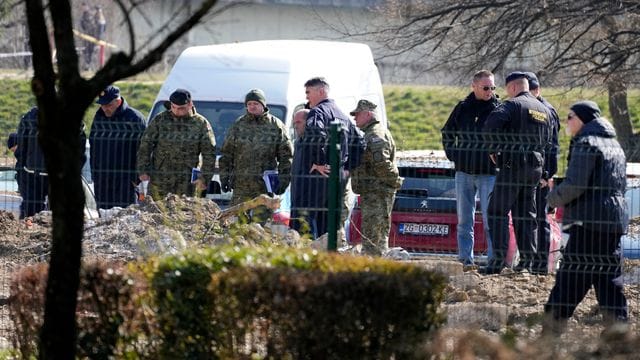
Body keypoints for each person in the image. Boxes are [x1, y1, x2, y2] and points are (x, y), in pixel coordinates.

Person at [543, 101, 628, 332]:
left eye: (569, 117)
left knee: (569, 281)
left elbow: (576, 185)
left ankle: (549, 334)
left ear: (581, 118)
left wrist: (551, 199)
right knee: (609, 282)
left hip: (588, 223)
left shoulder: (586, 143)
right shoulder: (614, 145)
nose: (567, 122)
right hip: (612, 222)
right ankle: (619, 334)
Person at [482, 71, 552, 274]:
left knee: (497, 211)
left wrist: (494, 149)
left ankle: (498, 261)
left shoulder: (512, 105)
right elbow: (548, 141)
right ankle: (526, 263)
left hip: (513, 165)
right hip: (535, 168)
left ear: (512, 87)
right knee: (526, 215)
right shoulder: (543, 109)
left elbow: (490, 126)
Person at [441, 70, 500, 267]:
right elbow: (447, 132)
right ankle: (465, 261)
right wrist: (454, 155)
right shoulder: (463, 108)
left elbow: (508, 138)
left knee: (491, 221)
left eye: (492, 87)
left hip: (488, 174)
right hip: (463, 172)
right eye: (485, 87)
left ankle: (494, 261)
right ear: (473, 86)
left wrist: (498, 159)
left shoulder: (498, 109)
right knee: (464, 222)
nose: (490, 91)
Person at [218, 89, 293, 223]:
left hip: (264, 187)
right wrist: (224, 177)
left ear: (263, 105)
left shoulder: (276, 126)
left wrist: (283, 181)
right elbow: (227, 153)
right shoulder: (238, 125)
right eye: (249, 104)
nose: (252, 106)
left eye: (256, 103)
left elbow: (286, 156)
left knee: (260, 225)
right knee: (236, 224)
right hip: (241, 185)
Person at [289, 77, 350, 239]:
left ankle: (303, 260)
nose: (307, 97)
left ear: (321, 91)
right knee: (327, 228)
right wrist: (344, 169)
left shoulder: (318, 112)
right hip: (335, 180)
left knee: (303, 224)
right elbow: (357, 144)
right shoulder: (343, 115)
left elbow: (316, 134)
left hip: (314, 182)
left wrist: (319, 163)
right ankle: (327, 259)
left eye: (309, 92)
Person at [137, 88, 216, 199]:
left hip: (187, 181)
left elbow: (209, 153)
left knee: (184, 213)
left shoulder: (200, 123)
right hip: (160, 179)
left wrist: (204, 178)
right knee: (156, 212)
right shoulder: (160, 120)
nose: (177, 111)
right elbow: (145, 145)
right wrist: (143, 169)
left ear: (190, 104)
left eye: (181, 108)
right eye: (173, 107)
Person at [350, 100, 402, 256]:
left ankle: (375, 267)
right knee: (373, 233)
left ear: (368, 114)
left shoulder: (375, 134)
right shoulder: (371, 132)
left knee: (375, 236)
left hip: (377, 193)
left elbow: (382, 163)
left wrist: (395, 180)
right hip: (373, 192)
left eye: (358, 114)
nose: (355, 118)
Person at [525, 72, 561, 274]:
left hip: (541, 176)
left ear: (536, 90)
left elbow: (552, 147)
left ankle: (540, 267)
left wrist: (547, 175)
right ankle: (533, 264)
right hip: (532, 173)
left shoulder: (546, 110)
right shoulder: (533, 108)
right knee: (532, 219)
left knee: (540, 219)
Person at [90, 85, 146, 209]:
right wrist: (95, 174)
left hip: (125, 181)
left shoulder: (135, 119)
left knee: (125, 218)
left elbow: (144, 150)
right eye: (102, 105)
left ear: (118, 101)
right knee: (104, 219)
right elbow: (94, 146)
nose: (105, 109)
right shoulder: (99, 118)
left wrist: (136, 178)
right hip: (102, 180)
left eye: (108, 105)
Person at [15, 107, 48, 220]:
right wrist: (21, 171)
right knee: (30, 214)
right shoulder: (29, 117)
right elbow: (21, 149)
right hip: (31, 175)